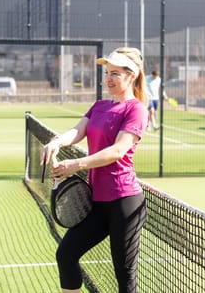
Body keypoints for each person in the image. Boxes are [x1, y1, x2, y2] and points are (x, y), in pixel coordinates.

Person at [40, 47, 148, 293]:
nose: (108, 79)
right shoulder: (99, 106)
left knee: (124, 275)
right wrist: (56, 141)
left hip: (124, 202)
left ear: (132, 76)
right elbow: (77, 132)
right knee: (66, 254)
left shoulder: (136, 110)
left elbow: (118, 151)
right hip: (97, 201)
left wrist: (75, 165)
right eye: (107, 73)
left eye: (116, 74)